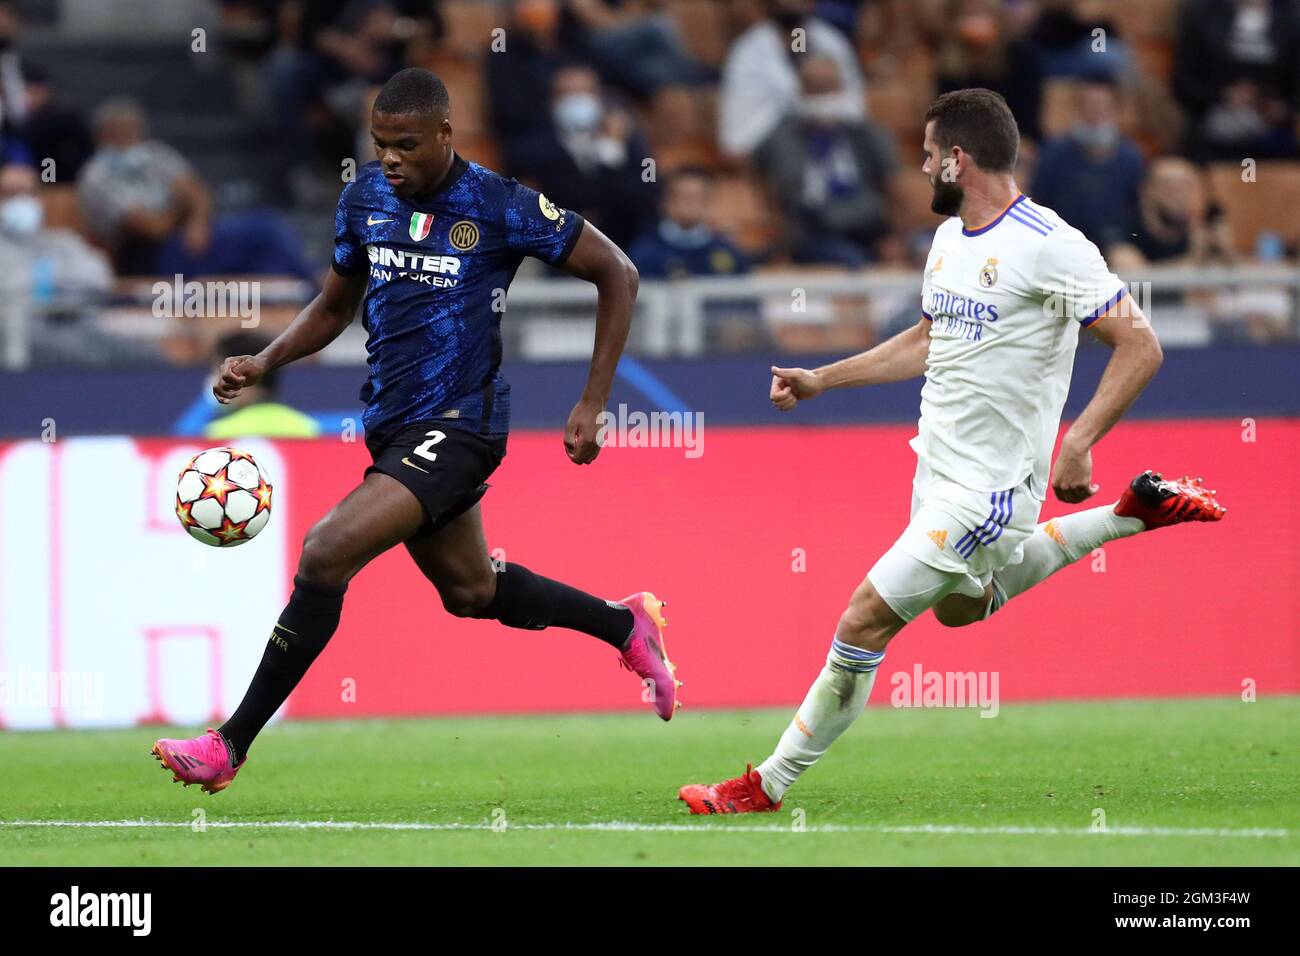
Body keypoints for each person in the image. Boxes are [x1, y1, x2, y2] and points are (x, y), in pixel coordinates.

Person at [679, 89, 1225, 814]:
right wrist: (822, 379)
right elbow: (929, 340)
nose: (924, 165)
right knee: (961, 611)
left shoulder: (1049, 244)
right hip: (935, 470)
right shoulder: (947, 241)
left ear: (958, 160)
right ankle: (1130, 513)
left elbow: (1139, 342)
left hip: (992, 489)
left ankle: (764, 785)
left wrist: (1080, 441)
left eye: (930, 154)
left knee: (862, 619)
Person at [151, 68, 679, 794]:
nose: (390, 159)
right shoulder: (364, 198)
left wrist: (593, 401)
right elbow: (335, 308)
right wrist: (266, 359)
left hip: (463, 423)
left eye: (404, 145)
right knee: (470, 591)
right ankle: (625, 626)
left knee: (326, 552)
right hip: (393, 424)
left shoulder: (499, 204)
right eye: (379, 145)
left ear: (443, 136)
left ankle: (229, 744)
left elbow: (617, 272)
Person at [76, 98, 316, 280]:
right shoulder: (96, 176)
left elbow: (198, 191)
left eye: (133, 133)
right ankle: (314, 285)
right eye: (120, 134)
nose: (129, 141)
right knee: (264, 234)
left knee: (266, 227)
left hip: (188, 236)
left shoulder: (155, 154)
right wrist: (181, 207)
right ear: (102, 136)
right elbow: (152, 229)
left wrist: (197, 223)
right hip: (147, 254)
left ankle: (303, 305)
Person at [1029, 75, 1144, 251]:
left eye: (1101, 107)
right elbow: (1038, 202)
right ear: (1077, 109)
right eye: (1088, 106)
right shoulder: (1053, 153)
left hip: (1117, 246)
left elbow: (1137, 209)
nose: (1094, 114)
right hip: (1063, 246)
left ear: (1115, 110)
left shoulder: (1131, 158)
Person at [626, 166, 750, 279]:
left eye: (696, 198)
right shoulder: (644, 252)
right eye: (682, 197)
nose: (689, 205)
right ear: (665, 202)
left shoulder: (728, 252)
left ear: (708, 203)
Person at [204, 330, 322, 439]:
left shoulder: (218, 435)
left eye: (219, 373)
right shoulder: (307, 429)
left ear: (240, 375)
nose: (214, 381)